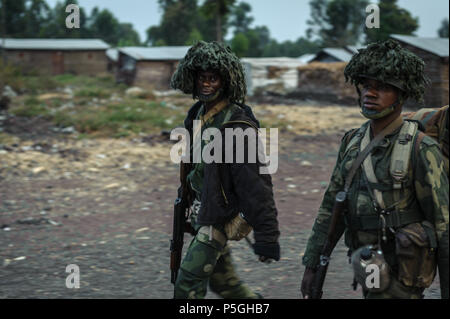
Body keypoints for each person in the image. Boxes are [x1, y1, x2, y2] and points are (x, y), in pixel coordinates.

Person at [300, 40, 449, 299]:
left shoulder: (421, 148)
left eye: (382, 88)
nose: (370, 93)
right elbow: (330, 207)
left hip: (404, 271)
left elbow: (443, 226)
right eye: (366, 86)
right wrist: (312, 264)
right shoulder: (352, 142)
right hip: (368, 265)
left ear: (401, 95)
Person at [170, 41, 280, 299]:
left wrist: (267, 238)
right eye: (201, 78)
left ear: (226, 81)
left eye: (213, 79)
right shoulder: (197, 115)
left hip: (220, 216)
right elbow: (194, 168)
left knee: (187, 285)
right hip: (202, 210)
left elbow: (257, 185)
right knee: (226, 285)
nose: (206, 84)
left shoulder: (237, 124)